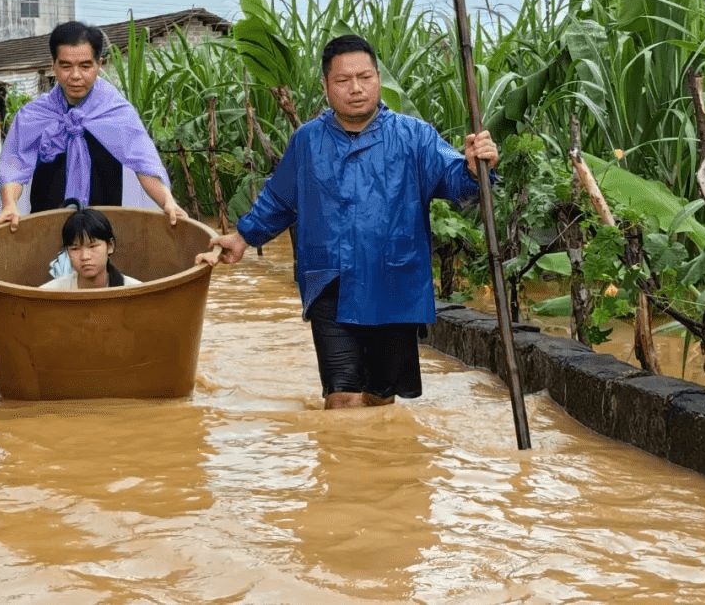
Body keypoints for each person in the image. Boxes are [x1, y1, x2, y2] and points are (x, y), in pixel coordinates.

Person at [200, 34, 499, 410]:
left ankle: (374, 466)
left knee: (380, 399)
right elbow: (280, 198)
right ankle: (340, 464)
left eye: (365, 77)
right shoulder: (307, 141)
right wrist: (243, 237)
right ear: (326, 87)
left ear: (378, 78)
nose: (356, 89)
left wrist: (475, 168)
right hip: (329, 280)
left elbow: (456, 182)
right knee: (341, 396)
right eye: (343, 81)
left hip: (394, 281)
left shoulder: (414, 136)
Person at [0, 21, 186, 233]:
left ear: (99, 64)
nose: (75, 76)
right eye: (65, 66)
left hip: (102, 229)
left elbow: (145, 165)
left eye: (85, 66)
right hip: (46, 225)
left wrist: (168, 202)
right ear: (53, 65)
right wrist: (9, 204)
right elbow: (14, 167)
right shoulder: (34, 116)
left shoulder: (117, 113)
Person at [40, 200, 142, 289]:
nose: (85, 256)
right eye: (75, 248)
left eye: (92, 246)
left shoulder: (134, 291)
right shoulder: (51, 293)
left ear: (110, 246)